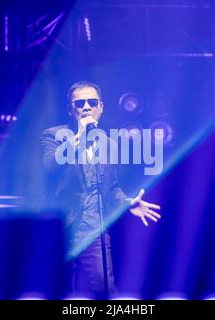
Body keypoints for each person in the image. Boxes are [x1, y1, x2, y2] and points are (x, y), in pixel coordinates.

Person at [41, 81, 161, 299]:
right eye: (80, 103)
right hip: (63, 229)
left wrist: (127, 203)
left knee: (104, 290)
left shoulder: (108, 143)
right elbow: (50, 165)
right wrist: (78, 137)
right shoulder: (54, 136)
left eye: (92, 102)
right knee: (59, 292)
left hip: (94, 231)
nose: (86, 107)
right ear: (71, 109)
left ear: (101, 107)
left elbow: (110, 188)